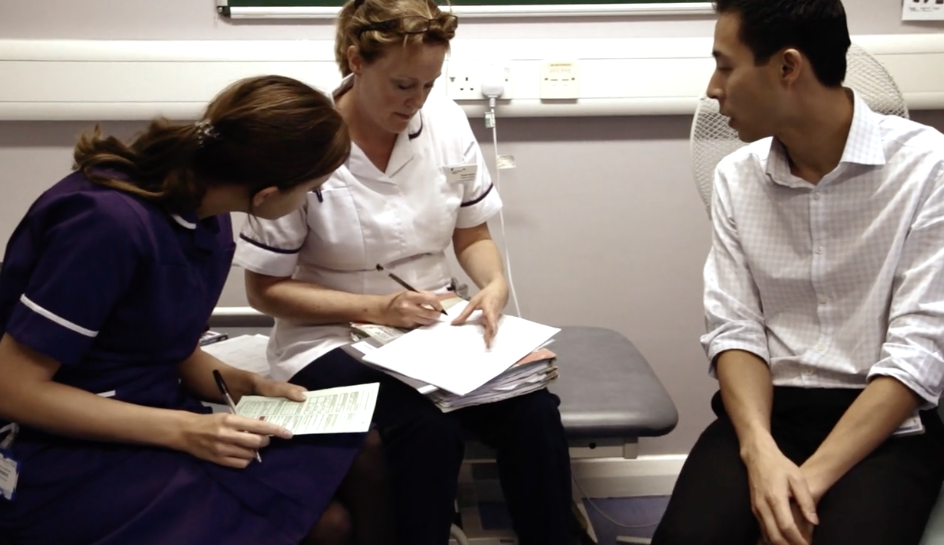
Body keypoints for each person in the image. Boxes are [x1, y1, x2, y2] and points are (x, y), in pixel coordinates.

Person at [233, 0, 577, 543]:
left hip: (434, 327)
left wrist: (494, 284)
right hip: (328, 337)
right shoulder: (305, 140)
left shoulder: (445, 122)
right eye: (402, 85)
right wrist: (376, 309)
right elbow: (265, 289)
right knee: (425, 430)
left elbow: (472, 235)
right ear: (356, 61)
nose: (416, 101)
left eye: (429, 85)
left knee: (532, 412)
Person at [0, 75, 394, 545]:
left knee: (362, 448)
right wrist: (187, 430)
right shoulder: (105, 225)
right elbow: (14, 390)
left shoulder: (205, 216)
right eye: (312, 189)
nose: (309, 199)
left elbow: (169, 346)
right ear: (267, 194)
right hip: (65, 446)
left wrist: (249, 385)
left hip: (155, 416)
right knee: (328, 525)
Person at [651, 1, 944, 545]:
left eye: (726, 66)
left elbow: (918, 352)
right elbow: (735, 330)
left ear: (788, 66)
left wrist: (802, 487)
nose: (713, 89)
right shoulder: (736, 177)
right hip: (769, 416)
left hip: (887, 426)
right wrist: (760, 453)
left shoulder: (928, 167)